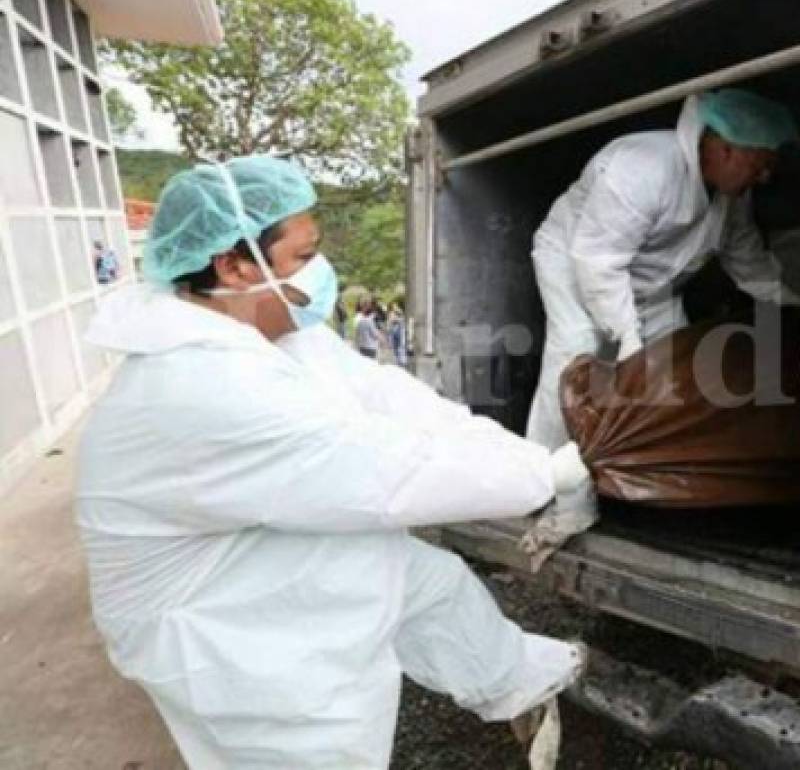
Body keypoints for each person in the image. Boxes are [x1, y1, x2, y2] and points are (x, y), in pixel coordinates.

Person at [75, 156, 592, 769]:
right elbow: (386, 475)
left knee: (421, 579)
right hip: (204, 611)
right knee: (311, 724)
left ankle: (519, 681)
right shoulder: (200, 384)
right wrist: (541, 479)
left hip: (236, 551)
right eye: (302, 255)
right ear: (235, 265)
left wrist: (527, 456)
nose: (320, 270)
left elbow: (390, 400)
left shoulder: (270, 327)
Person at [526, 88, 800, 448]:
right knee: (577, 359)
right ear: (726, 149)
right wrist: (628, 339)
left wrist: (782, 296)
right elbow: (598, 260)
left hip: (648, 283)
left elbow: (744, 254)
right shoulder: (643, 169)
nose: (765, 177)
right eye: (759, 165)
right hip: (575, 261)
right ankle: (544, 474)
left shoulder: (731, 196)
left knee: (672, 368)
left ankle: (642, 473)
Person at [387, 302, 407, 367]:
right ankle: (398, 362)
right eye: (393, 306)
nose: (395, 307)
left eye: (395, 305)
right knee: (395, 348)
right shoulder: (391, 313)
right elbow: (391, 321)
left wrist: (398, 312)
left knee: (400, 347)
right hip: (393, 332)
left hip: (398, 331)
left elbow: (401, 319)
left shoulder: (399, 313)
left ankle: (402, 362)